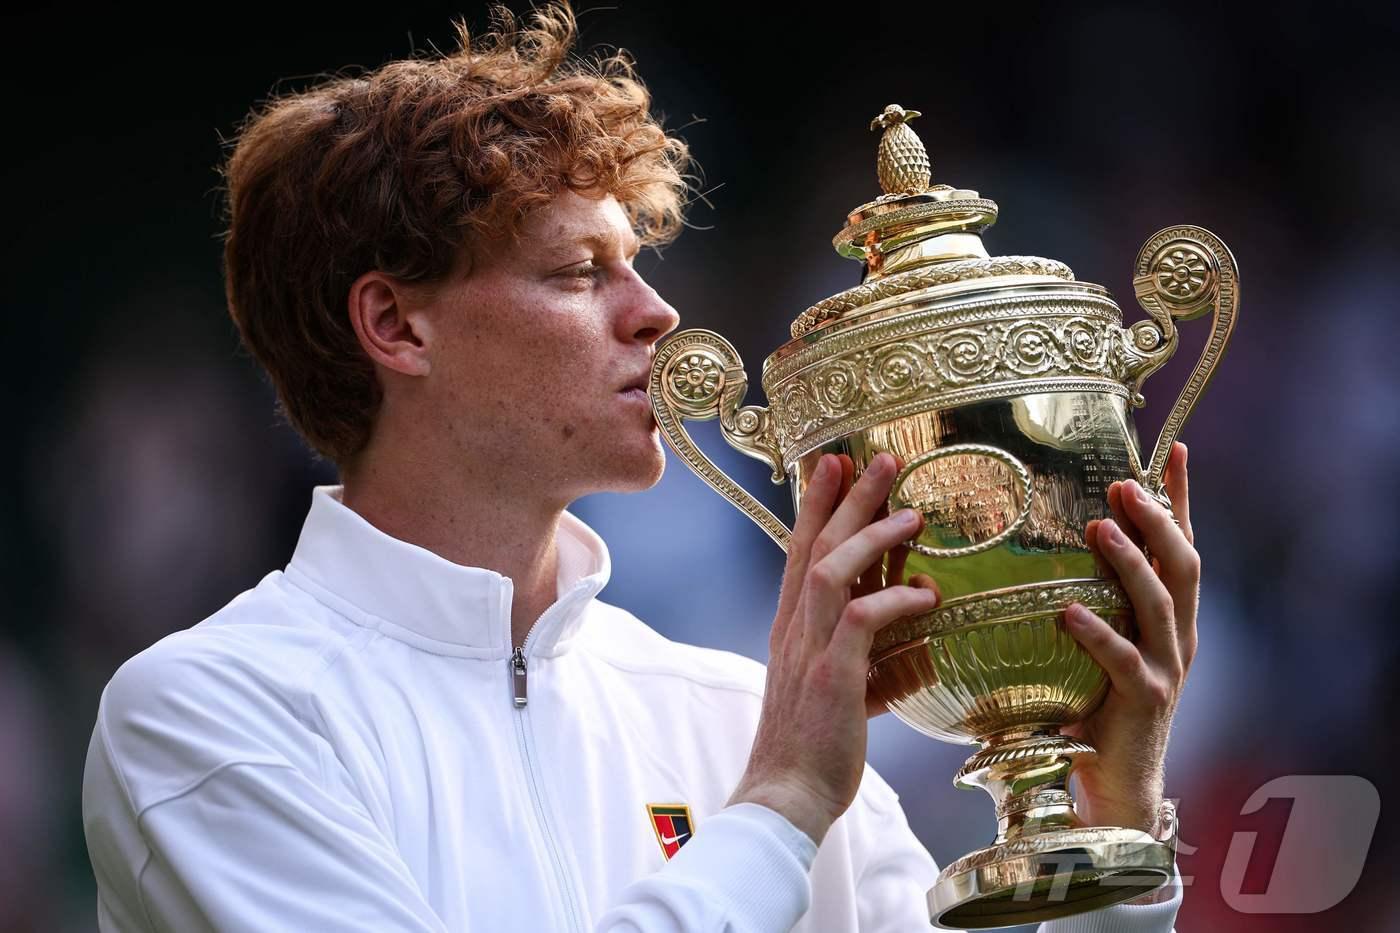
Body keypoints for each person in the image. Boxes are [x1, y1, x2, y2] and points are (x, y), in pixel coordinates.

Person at [81, 3, 1200, 930]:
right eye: (578, 273)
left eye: (640, 265)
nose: (654, 312)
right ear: (397, 326)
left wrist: (1113, 824)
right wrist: (776, 808)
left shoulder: (731, 712)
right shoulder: (204, 715)